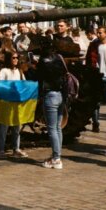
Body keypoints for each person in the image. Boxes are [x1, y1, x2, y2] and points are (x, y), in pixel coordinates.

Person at [36, 39, 66, 169]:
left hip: (50, 95)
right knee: (58, 127)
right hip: (60, 95)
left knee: (52, 128)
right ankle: (57, 155)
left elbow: (39, 77)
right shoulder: (59, 58)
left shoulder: (43, 62)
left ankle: (56, 158)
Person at [0, 51, 28, 159]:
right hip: (7, 102)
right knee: (4, 127)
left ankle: (16, 148)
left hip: (17, 103)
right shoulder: (4, 71)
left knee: (17, 127)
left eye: (17, 58)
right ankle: (1, 149)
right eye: (13, 58)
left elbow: (24, 85)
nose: (15, 60)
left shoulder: (19, 71)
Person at [86, 26, 106, 133]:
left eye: (100, 33)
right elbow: (88, 61)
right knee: (96, 102)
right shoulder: (93, 45)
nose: (98, 35)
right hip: (97, 76)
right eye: (97, 33)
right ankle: (95, 124)